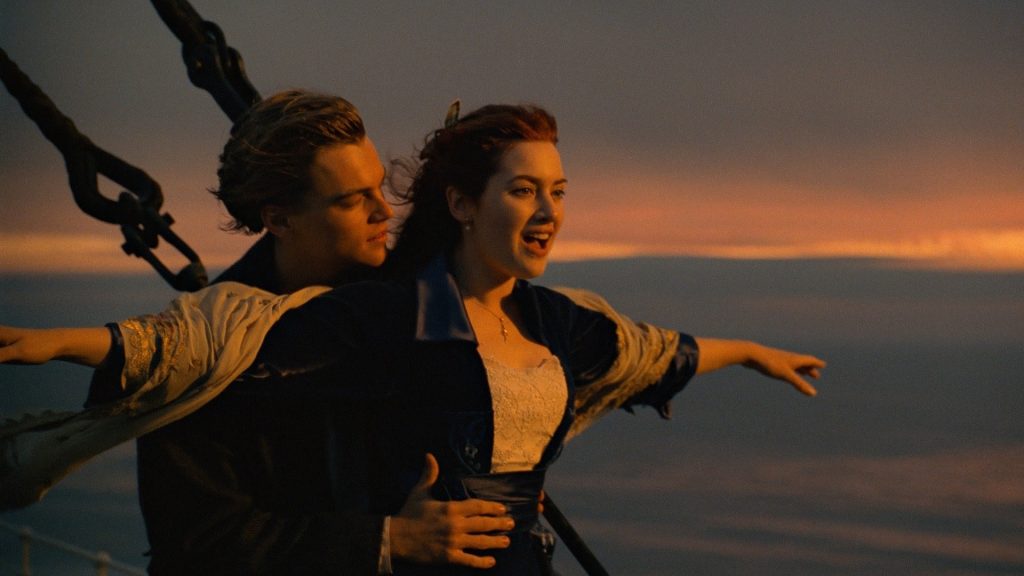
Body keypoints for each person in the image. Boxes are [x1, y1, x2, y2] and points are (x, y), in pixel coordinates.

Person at [1, 101, 824, 574]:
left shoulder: (414, 302)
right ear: (277, 218)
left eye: (379, 189)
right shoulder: (204, 363)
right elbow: (200, 547)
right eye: (350, 200)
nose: (381, 213)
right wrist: (390, 540)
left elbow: (623, 347)